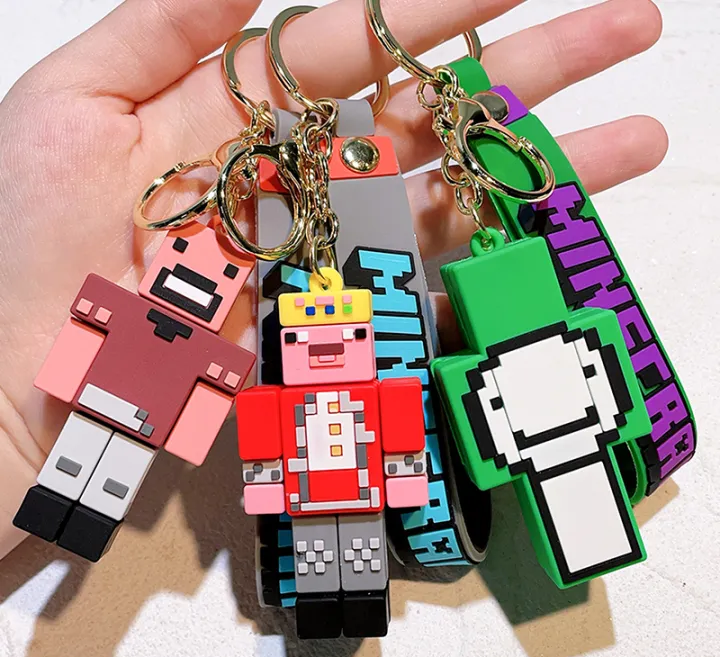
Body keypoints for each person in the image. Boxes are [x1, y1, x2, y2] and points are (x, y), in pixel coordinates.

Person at [0, 0, 667, 559]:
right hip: (144, 411)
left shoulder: (259, 357)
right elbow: (135, 343)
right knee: (89, 473)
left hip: (342, 472)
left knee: (333, 547)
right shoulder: (194, 329)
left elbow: (255, 397)